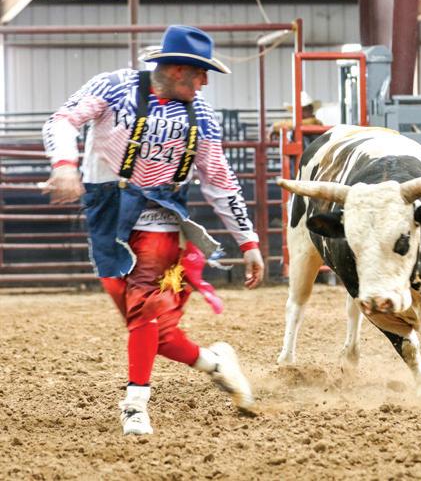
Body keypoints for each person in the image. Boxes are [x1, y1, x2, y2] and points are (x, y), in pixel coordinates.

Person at [41, 25, 264, 436]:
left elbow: (219, 178)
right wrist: (64, 165)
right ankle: (215, 363)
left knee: (144, 306)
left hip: (160, 215)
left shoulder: (202, 116)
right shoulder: (113, 87)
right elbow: (63, 121)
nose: (204, 82)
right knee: (149, 328)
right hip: (108, 215)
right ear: (179, 70)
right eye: (200, 73)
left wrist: (247, 240)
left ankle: (135, 405)